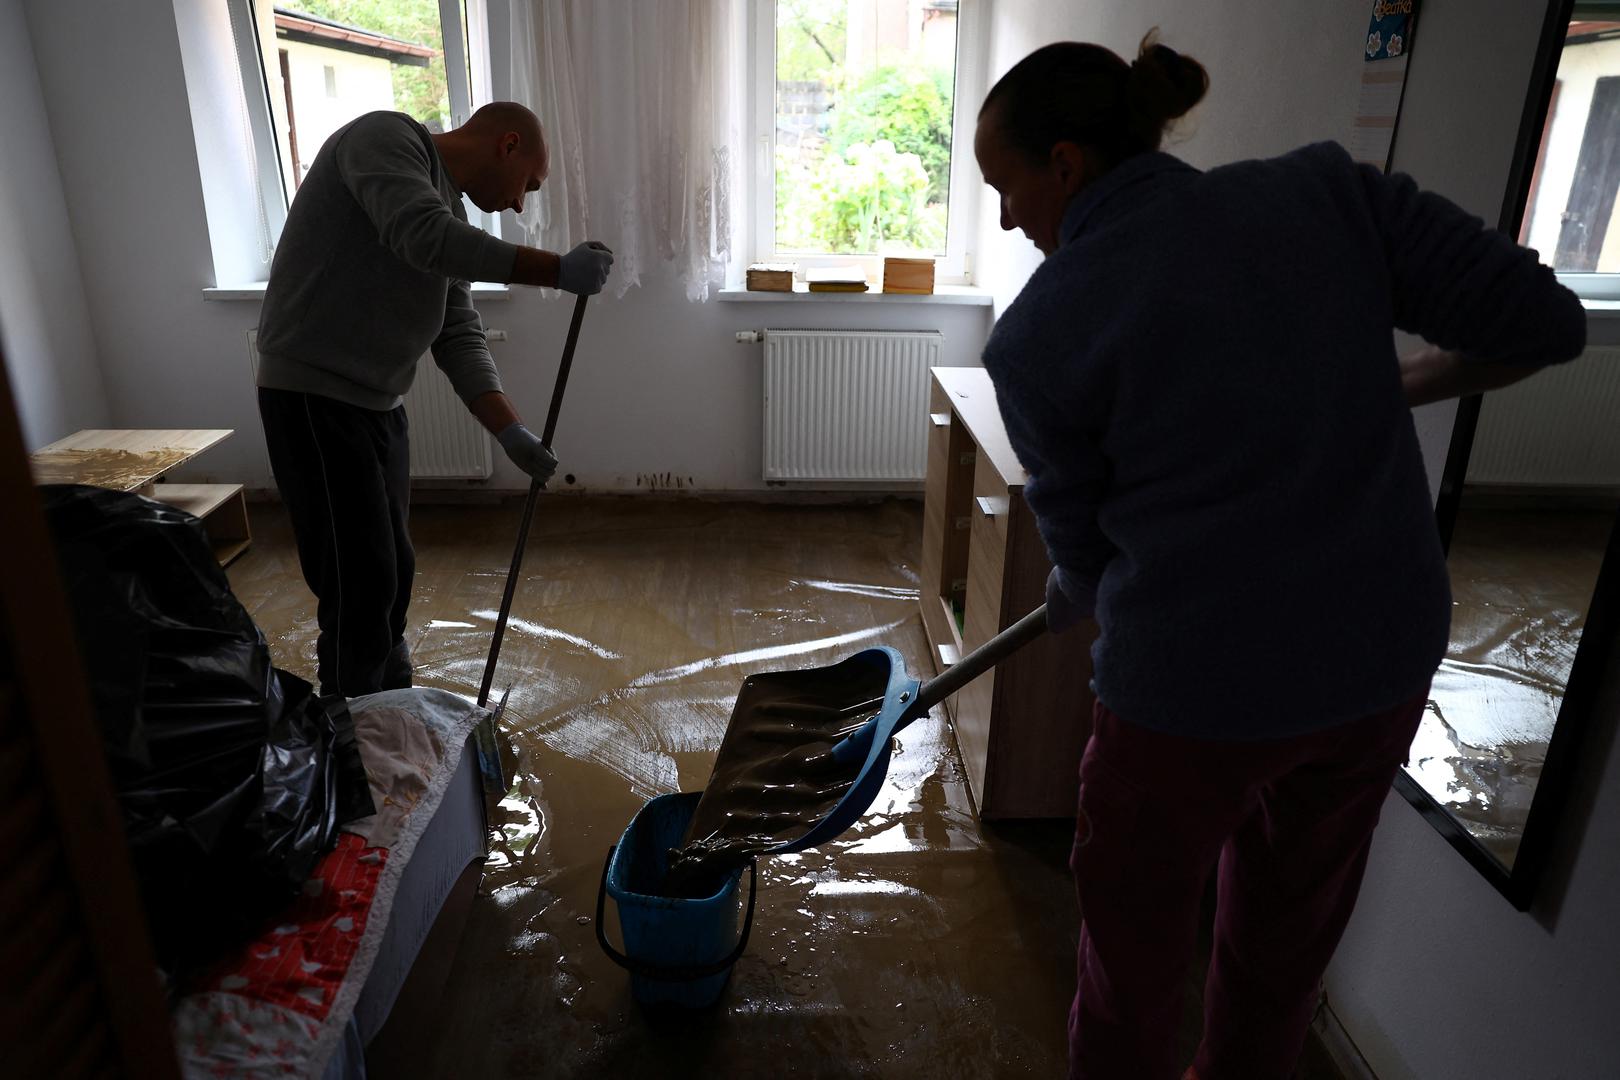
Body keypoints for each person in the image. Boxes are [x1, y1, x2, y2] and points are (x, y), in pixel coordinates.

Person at [973, 35, 1586, 1080]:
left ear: (1067, 165)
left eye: (1006, 186)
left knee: (1131, 970)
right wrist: (1393, 382)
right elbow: (1547, 323)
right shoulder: (1327, 195)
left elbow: (1084, 545)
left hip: (1188, 699)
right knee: (1279, 957)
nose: (1005, 217)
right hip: (1374, 667)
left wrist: (1076, 585)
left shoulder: (1038, 335)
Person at [255, 102, 612, 699]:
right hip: (313, 400)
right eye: (529, 183)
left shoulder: (443, 207)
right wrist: (554, 270)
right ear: (508, 143)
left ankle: (391, 706)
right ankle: (349, 736)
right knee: (359, 583)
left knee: (392, 573)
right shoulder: (385, 139)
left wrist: (510, 432)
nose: (521, 204)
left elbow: (456, 330)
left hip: (376, 406)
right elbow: (421, 237)